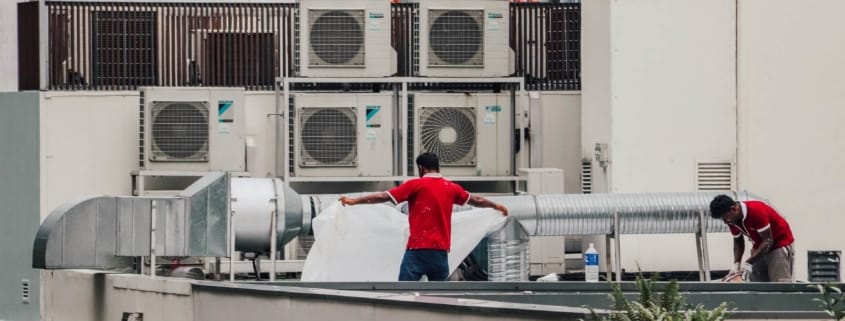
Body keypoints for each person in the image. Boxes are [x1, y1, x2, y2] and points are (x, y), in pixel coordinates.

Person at [339, 152, 508, 281]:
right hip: (440, 253)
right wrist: (496, 205)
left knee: (403, 295)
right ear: (438, 167)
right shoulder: (451, 187)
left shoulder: (416, 185)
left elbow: (383, 197)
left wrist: (354, 201)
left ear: (421, 167)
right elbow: (476, 200)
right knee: (440, 298)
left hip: (417, 250)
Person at [709, 194, 795, 282]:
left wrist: (748, 262)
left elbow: (768, 241)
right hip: (759, 246)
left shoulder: (756, 211)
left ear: (734, 209)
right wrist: (737, 264)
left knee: (779, 283)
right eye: (722, 219)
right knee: (757, 283)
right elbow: (738, 242)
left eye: (726, 218)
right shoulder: (732, 220)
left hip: (778, 244)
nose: (725, 222)